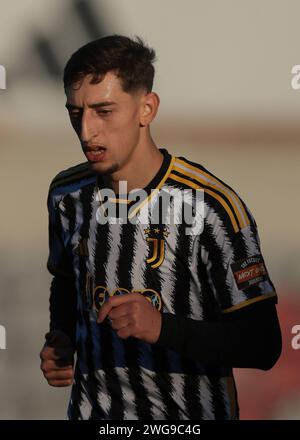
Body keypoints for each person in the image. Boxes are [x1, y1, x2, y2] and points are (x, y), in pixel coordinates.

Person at [40, 35, 282, 420]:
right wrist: (62, 338)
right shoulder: (66, 195)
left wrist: (162, 328)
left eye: (104, 111)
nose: (87, 132)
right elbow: (67, 279)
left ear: (146, 109)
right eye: (75, 113)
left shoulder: (210, 207)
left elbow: (263, 345)